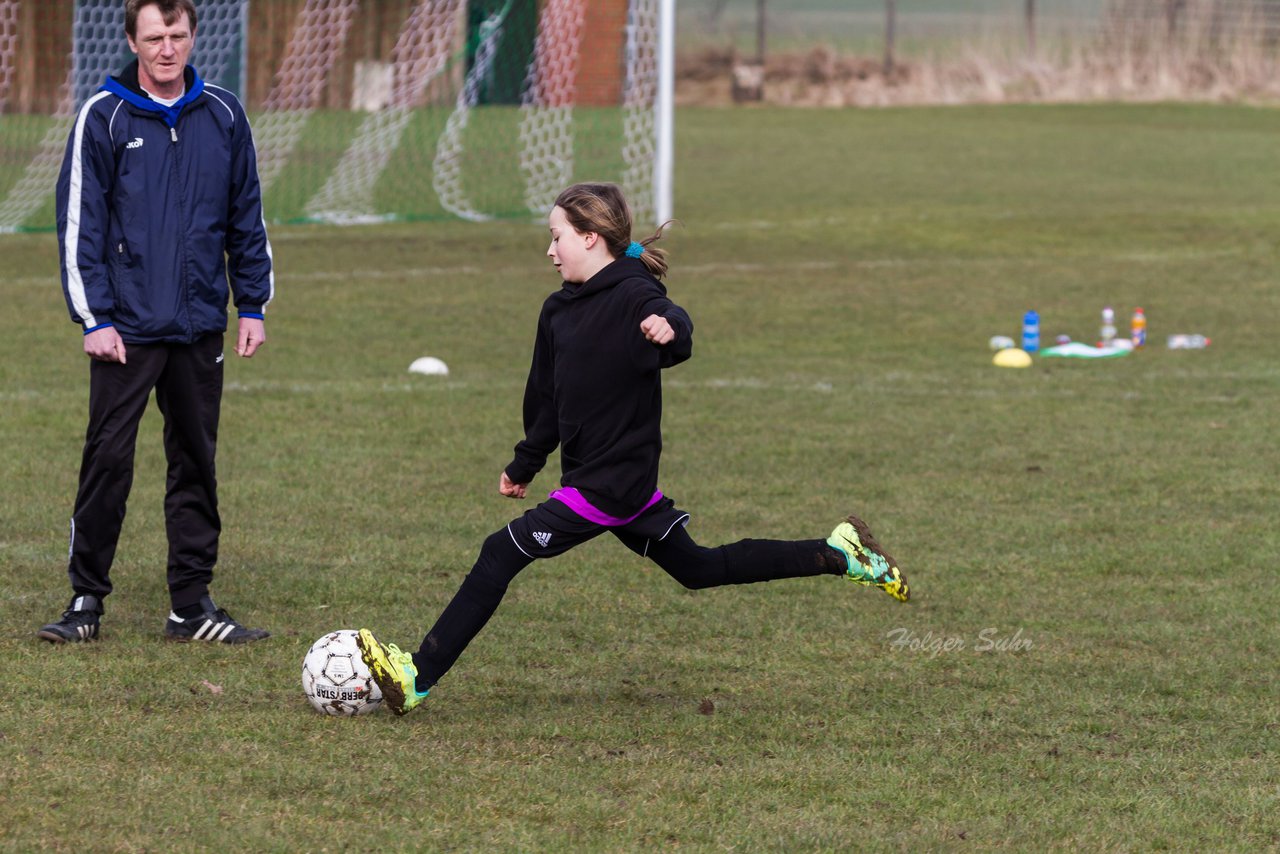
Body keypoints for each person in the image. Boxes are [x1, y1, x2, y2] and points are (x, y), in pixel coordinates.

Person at [357, 182, 908, 715]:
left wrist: (669, 328)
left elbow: (676, 319)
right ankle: (841, 552)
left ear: (591, 237)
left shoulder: (633, 295)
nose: (549, 251)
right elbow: (546, 397)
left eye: (557, 236)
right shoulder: (557, 310)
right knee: (698, 567)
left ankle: (415, 677)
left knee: (500, 552)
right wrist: (526, 461)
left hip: (611, 483)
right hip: (604, 480)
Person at [40, 0, 273, 644]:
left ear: (193, 36)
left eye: (177, 35)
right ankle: (85, 601)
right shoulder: (103, 115)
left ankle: (191, 607)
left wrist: (250, 304)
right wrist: (94, 319)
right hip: (126, 329)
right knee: (108, 461)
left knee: (196, 461)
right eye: (154, 36)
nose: (167, 48)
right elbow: (79, 226)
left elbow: (245, 215)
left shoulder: (224, 113)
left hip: (201, 324)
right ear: (132, 40)